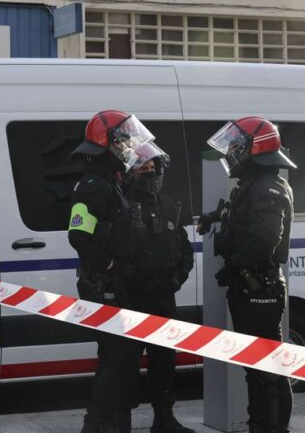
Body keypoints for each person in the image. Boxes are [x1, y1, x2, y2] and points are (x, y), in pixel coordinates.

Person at [197, 117, 296, 433]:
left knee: (266, 369)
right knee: (258, 365)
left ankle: (268, 427)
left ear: (256, 149)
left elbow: (263, 241)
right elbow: (238, 217)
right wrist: (213, 217)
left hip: (258, 287)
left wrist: (233, 266)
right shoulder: (253, 185)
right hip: (249, 285)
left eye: (238, 148)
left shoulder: (266, 188)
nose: (232, 154)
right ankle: (262, 424)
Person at [68, 109, 155, 433]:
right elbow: (79, 236)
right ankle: (98, 425)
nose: (130, 147)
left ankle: (117, 423)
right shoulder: (93, 187)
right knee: (116, 358)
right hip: (106, 286)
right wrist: (112, 265)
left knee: (123, 358)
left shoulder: (109, 182)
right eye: (125, 142)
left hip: (116, 287)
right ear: (109, 146)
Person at [126, 143, 195, 433]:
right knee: (125, 362)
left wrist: (177, 278)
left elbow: (184, 250)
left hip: (164, 298)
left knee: (164, 360)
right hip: (131, 299)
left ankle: (164, 418)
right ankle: (120, 420)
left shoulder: (169, 204)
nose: (151, 172)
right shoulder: (122, 205)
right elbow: (115, 253)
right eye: (144, 167)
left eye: (154, 167)